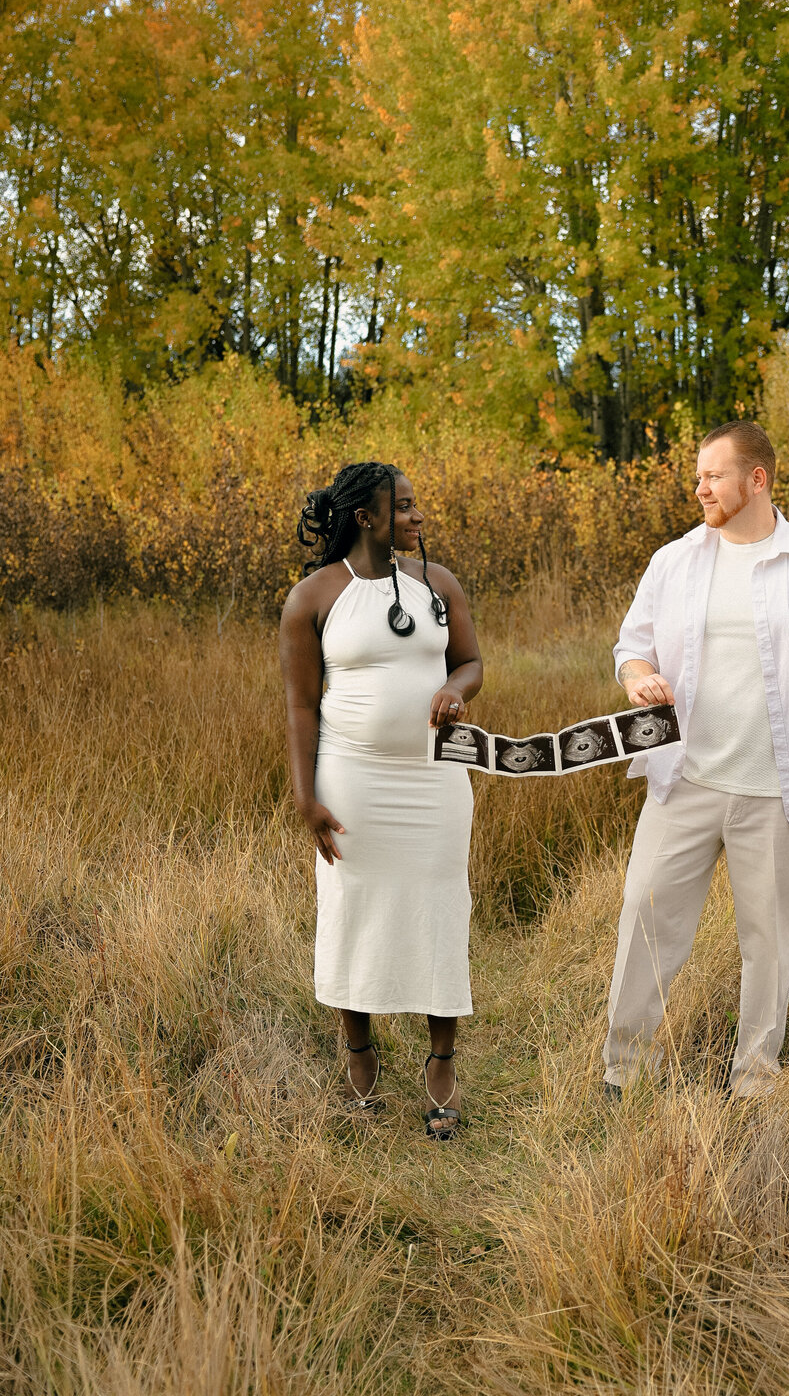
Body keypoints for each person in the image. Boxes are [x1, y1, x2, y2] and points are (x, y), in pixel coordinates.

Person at [604, 420, 789, 1099]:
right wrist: (640, 679)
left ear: (756, 479)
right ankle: (623, 1073)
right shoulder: (674, 560)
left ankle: (756, 1082)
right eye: (698, 476)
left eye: (712, 475)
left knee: (767, 942)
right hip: (683, 783)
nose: (699, 487)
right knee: (645, 921)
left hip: (777, 794)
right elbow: (630, 648)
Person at [279, 460, 483, 1138]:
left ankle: (442, 1064)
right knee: (354, 909)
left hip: (434, 782)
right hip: (352, 781)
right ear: (365, 517)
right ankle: (360, 1056)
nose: (416, 515)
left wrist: (457, 690)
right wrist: (305, 797)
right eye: (402, 506)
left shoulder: (438, 585)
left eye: (415, 503)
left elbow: (472, 661)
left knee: (439, 905)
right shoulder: (314, 597)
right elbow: (302, 707)